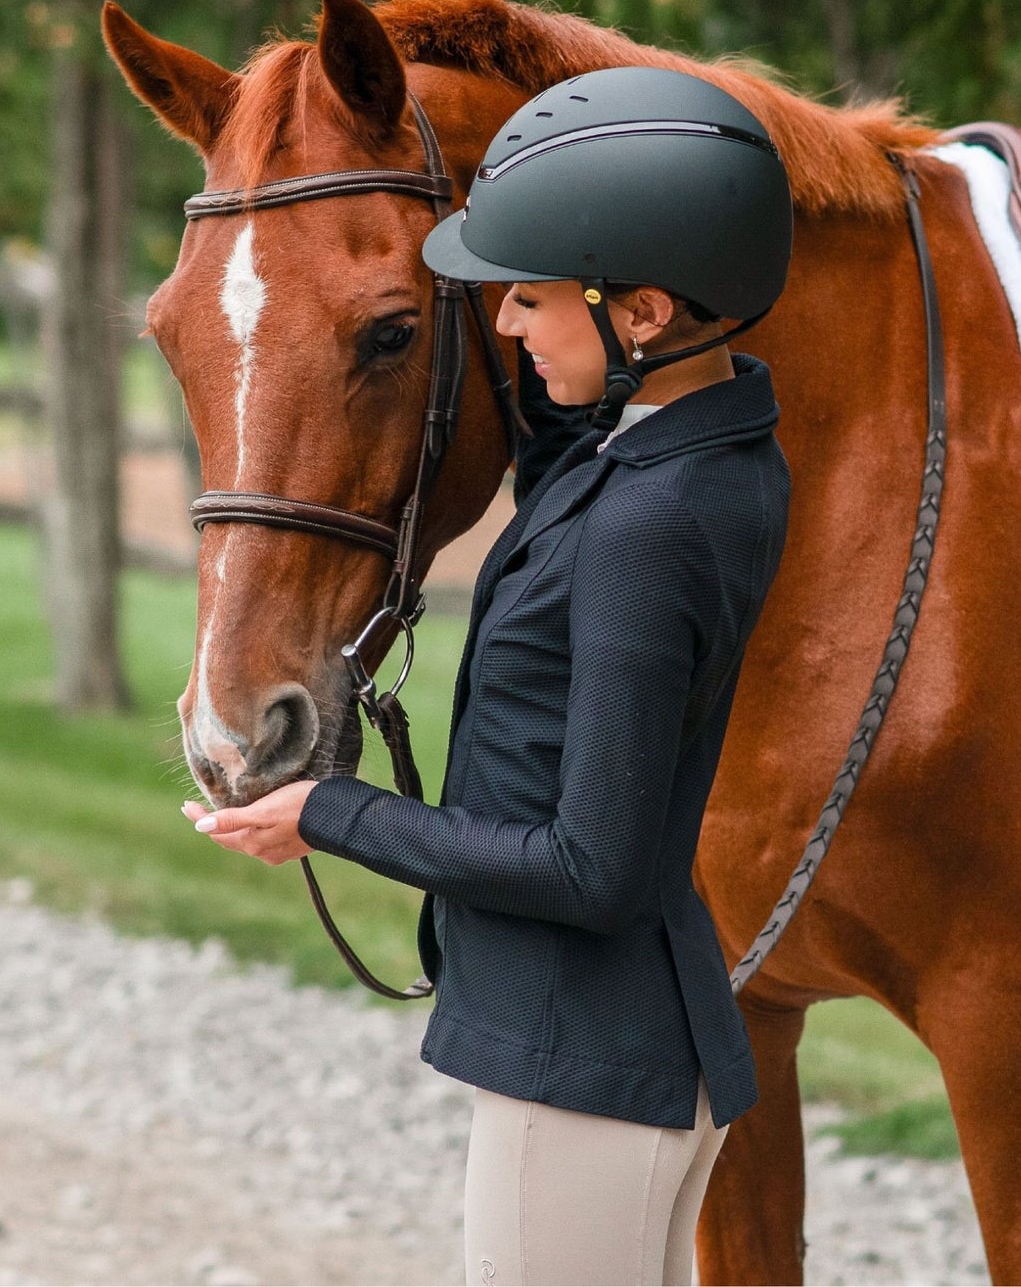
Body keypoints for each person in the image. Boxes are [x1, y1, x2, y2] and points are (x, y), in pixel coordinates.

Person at [182, 66, 794, 1286]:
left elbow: (591, 868)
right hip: (632, 1049)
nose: (504, 323)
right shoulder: (689, 448)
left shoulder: (643, 525)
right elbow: (548, 427)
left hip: (581, 1070)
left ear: (643, 312)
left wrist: (332, 810)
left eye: (527, 296)